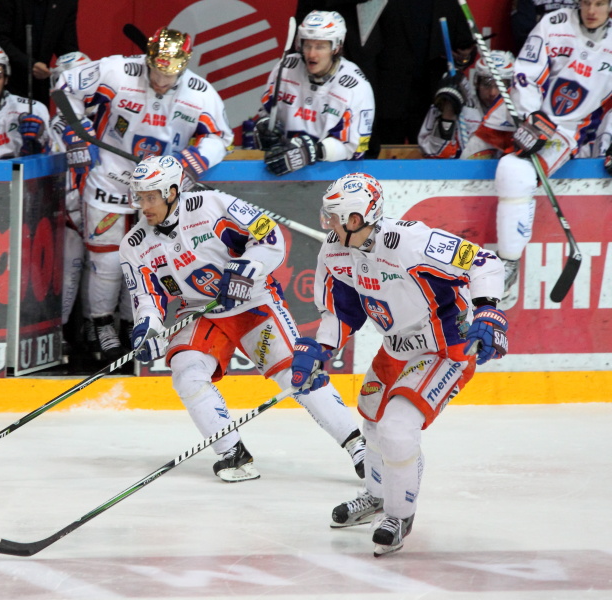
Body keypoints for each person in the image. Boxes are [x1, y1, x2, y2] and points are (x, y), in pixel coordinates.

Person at [291, 172, 507, 556]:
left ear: (358, 218)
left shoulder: (412, 241)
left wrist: (488, 311)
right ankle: (376, 495)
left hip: (446, 347)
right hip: (397, 347)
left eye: (336, 216)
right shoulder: (335, 251)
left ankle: (398, 513)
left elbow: (484, 262)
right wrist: (319, 350)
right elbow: (340, 312)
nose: (329, 223)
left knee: (396, 428)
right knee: (373, 424)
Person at [118, 155, 367, 483]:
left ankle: (358, 446)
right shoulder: (134, 246)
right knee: (186, 373)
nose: (144, 205)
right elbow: (147, 298)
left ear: (173, 191)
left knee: (297, 374)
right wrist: (146, 326)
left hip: (253, 301)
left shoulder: (211, 205)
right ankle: (232, 452)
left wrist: (246, 269)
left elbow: (270, 237)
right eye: (140, 197)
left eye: (151, 196)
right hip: (200, 311)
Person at [54, 27, 234, 362]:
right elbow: (65, 87)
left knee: (146, 260)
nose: (162, 81)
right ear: (148, 59)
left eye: (171, 73)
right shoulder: (117, 70)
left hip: (158, 190)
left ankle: (131, 324)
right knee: (106, 260)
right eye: (156, 71)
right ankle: (101, 327)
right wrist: (76, 132)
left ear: (184, 64)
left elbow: (220, 136)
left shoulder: (199, 93)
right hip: (110, 176)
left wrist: (191, 161)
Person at [460, 0, 612, 309]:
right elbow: (527, 72)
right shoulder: (555, 23)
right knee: (470, 157)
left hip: (567, 129)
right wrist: (529, 116)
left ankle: (507, 264)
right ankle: (455, 235)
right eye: (586, 2)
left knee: (513, 172)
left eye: (599, 3)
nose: (591, 10)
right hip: (523, 111)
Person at [250, 11, 375, 175]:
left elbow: (356, 147)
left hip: (335, 176)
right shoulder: (286, 68)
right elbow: (265, 112)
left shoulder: (355, 87)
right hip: (283, 172)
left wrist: (313, 152)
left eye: (320, 46)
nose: (311, 54)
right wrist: (265, 128)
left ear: (336, 47)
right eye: (307, 45)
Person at [47, 51, 94, 363]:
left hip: (109, 208)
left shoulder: (107, 115)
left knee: (111, 273)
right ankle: (59, 334)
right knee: (71, 269)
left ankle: (98, 330)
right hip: (71, 214)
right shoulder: (55, 125)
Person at [0, 0, 79, 106]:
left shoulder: (66, 2)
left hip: (36, 85)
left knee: (36, 129)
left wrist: (78, 73)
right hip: (1, 79)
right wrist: (30, 65)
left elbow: (68, 47)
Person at [418, 51, 515, 159]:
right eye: (486, 84)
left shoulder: (518, 113)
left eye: (501, 85)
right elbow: (436, 157)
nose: (493, 92)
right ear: (476, 82)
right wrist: (448, 111)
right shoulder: (463, 108)